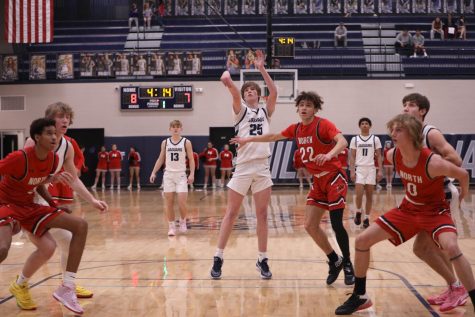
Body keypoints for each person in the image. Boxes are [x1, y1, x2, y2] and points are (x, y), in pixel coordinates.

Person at [335, 113, 475, 315]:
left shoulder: (433, 162)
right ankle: (360, 296)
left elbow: (463, 174)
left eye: (398, 129)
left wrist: (462, 195)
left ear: (412, 134)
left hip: (434, 211)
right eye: (392, 129)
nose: (393, 133)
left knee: (451, 246)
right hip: (408, 209)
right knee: (362, 240)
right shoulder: (393, 155)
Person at [230, 90, 355, 286]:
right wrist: (247, 139)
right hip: (318, 181)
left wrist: (329, 155)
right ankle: (334, 259)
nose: (304, 108)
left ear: (315, 109)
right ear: (297, 108)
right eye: (302, 105)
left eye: (308, 105)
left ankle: (348, 264)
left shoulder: (323, 124)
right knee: (309, 225)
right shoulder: (296, 129)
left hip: (334, 177)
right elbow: (272, 137)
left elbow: (343, 141)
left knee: (336, 223)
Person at [8, 111, 108, 314]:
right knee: (50, 246)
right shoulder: (32, 144)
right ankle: (32, 284)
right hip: (28, 204)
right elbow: (27, 176)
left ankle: (64, 285)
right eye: (60, 117)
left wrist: (92, 200)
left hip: (43, 206)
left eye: (67, 117)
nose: (65, 121)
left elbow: (73, 178)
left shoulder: (67, 146)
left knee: (64, 242)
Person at [210, 50, 277, 280]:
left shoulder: (265, 111)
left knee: (262, 215)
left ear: (258, 95)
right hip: (244, 166)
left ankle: (263, 259)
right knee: (231, 213)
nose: (249, 92)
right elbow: (234, 95)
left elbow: (275, 91)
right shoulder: (241, 111)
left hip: (262, 167)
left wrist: (261, 68)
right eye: (246, 90)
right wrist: (228, 82)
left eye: (253, 90)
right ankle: (218, 256)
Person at [402, 93, 468, 311]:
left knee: (431, 247)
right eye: (404, 105)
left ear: (422, 111)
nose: (405, 109)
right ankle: (453, 287)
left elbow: (456, 160)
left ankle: (458, 288)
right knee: (425, 248)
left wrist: (428, 166)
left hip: (442, 195)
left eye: (411, 105)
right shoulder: (410, 135)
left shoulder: (430, 132)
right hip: (426, 198)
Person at [150, 120, 195, 236]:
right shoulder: (165, 142)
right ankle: (171, 226)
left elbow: (191, 159)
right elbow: (161, 159)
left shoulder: (186, 142)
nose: (175, 129)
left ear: (181, 129)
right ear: (169, 129)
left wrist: (192, 174)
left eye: (178, 127)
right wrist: (153, 172)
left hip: (181, 175)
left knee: (182, 202)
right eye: (173, 127)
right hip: (168, 175)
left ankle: (183, 221)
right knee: (169, 202)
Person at [349, 118, 383, 229]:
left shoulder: (375, 139)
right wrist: (352, 170)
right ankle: (358, 212)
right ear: (359, 126)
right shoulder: (355, 139)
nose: (364, 125)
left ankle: (367, 218)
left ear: (370, 125)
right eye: (362, 123)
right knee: (358, 194)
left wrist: (380, 170)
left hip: (371, 169)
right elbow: (352, 156)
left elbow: (379, 156)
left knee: (369, 196)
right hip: (359, 169)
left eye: (366, 123)